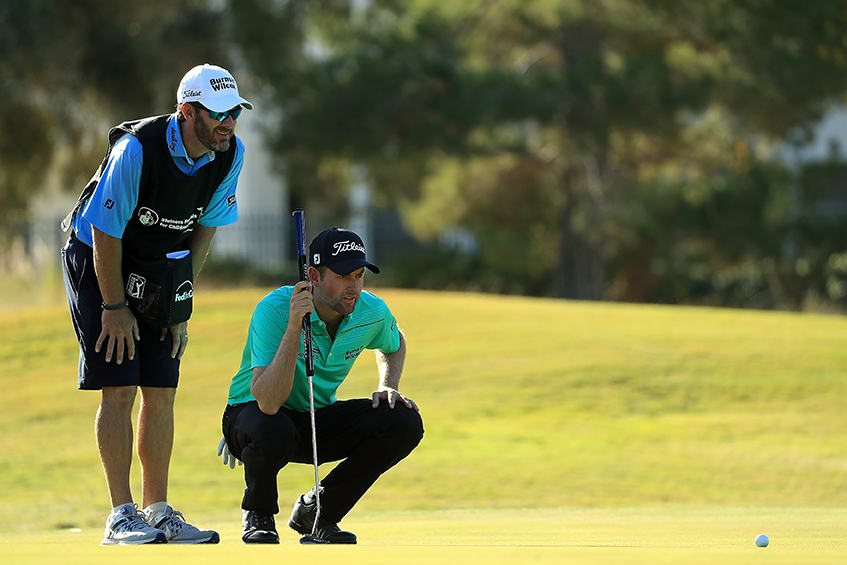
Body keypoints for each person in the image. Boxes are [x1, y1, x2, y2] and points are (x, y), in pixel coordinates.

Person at [60, 63, 252, 545]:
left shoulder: (230, 156)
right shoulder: (136, 151)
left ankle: (158, 510)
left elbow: (204, 233)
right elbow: (106, 233)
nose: (228, 122)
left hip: (161, 266)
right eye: (218, 113)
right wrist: (113, 306)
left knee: (161, 388)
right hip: (99, 258)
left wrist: (181, 306)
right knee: (121, 386)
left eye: (235, 113)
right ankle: (121, 515)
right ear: (188, 111)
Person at [219, 227, 424, 544]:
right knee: (272, 427)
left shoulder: (371, 311)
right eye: (343, 276)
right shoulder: (274, 309)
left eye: (359, 275)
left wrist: (388, 385)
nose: (353, 286)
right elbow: (269, 402)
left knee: (403, 420)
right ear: (313, 275)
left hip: (314, 417)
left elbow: (395, 343)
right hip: (255, 415)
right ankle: (259, 514)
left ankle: (319, 513)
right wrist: (293, 327)